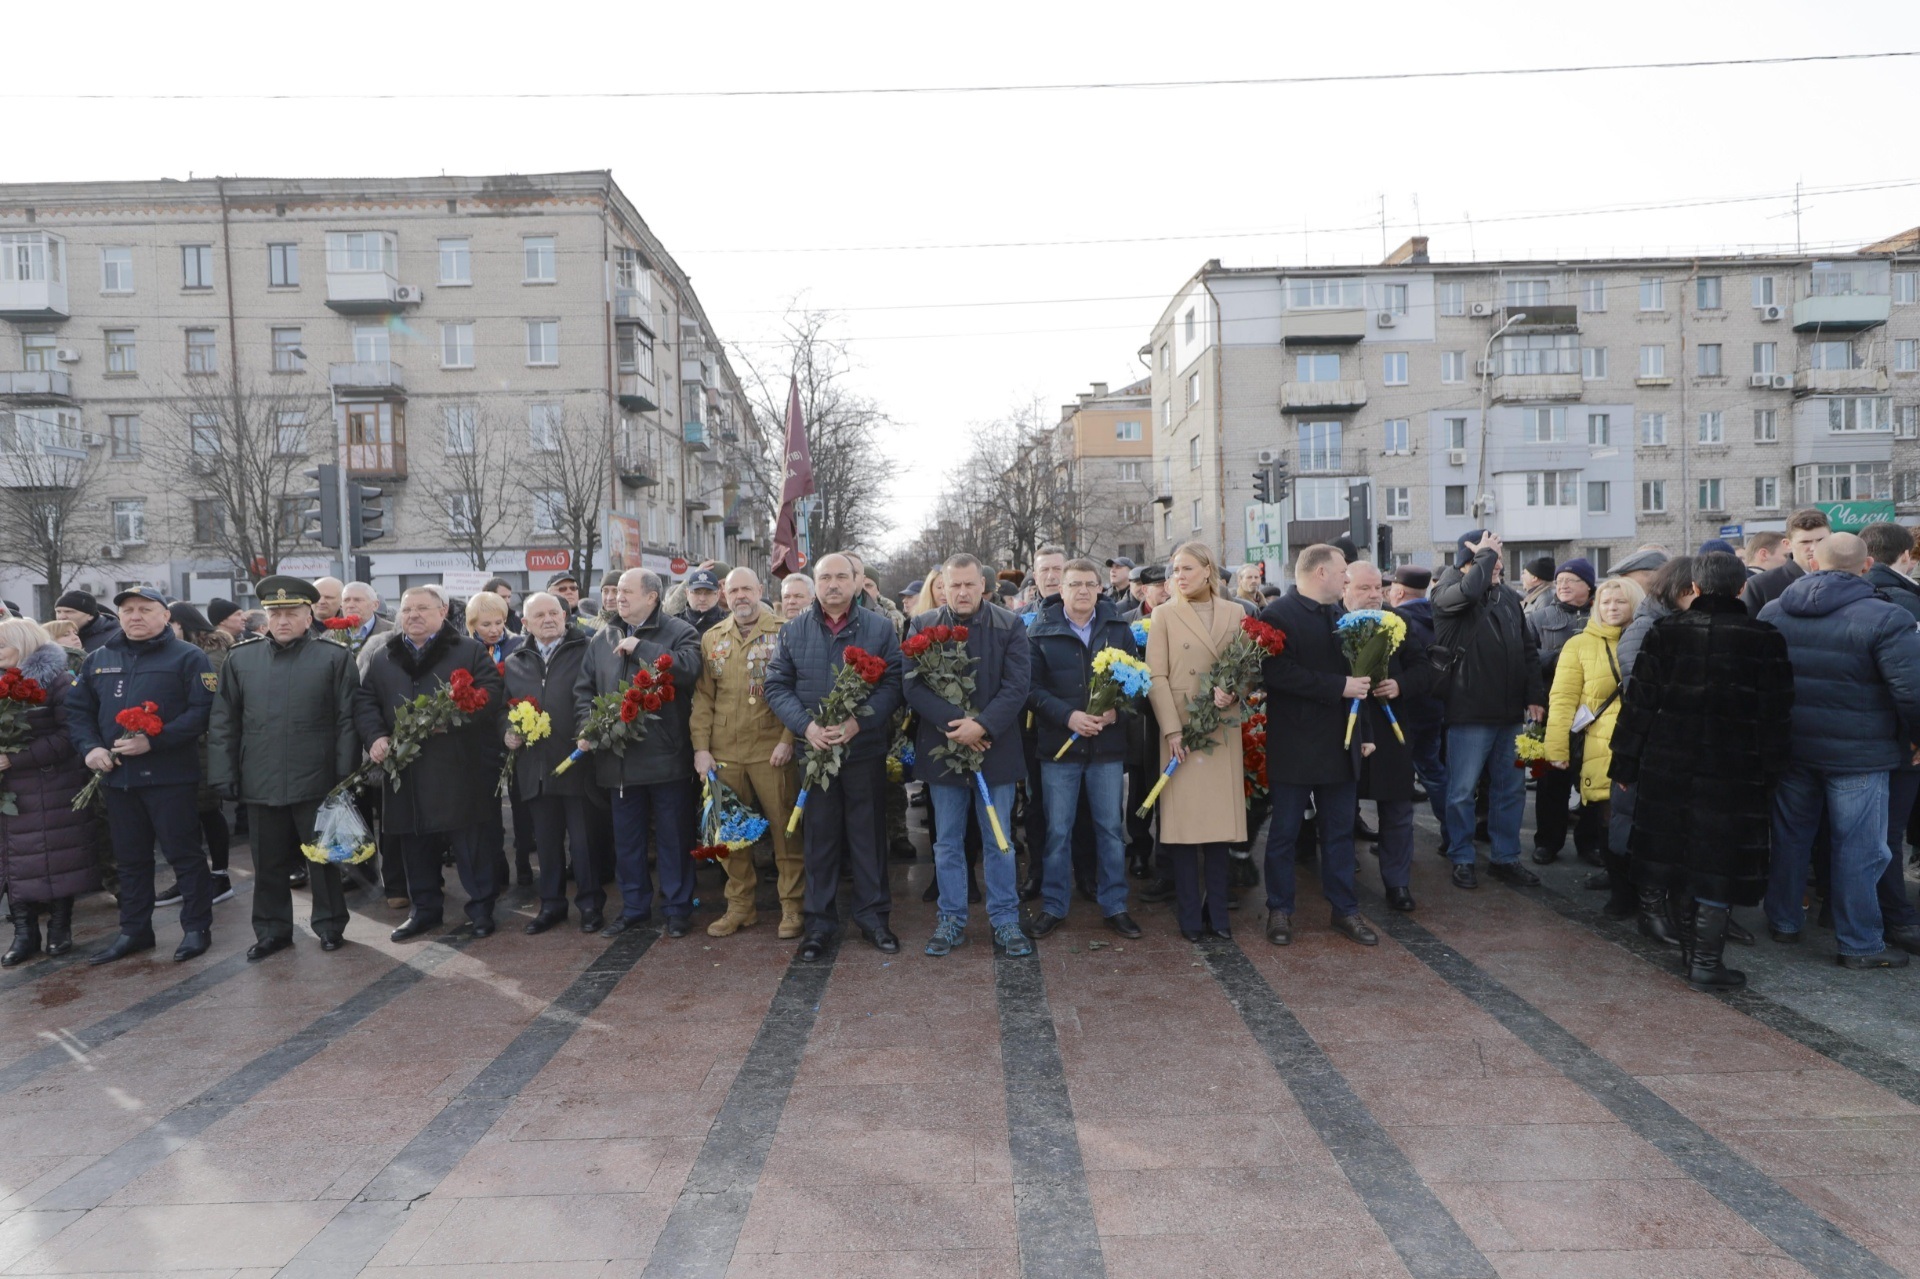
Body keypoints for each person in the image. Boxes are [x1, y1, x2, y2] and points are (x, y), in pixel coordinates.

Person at [1611, 553, 1794, 991]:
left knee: (1676, 857)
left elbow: (1639, 704)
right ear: (1740, 588)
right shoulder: (1764, 637)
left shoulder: (1664, 632)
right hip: (1734, 770)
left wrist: (1626, 763)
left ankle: (1693, 954)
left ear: (1694, 585)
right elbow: (1776, 715)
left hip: (1667, 765)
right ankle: (1706, 961)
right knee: (1720, 860)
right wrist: (1771, 773)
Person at [1758, 533, 1920, 969]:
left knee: (1791, 838)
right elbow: (1912, 691)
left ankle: (1784, 922)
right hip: (1860, 754)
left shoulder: (1774, 611)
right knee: (1859, 849)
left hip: (1792, 745)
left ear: (1813, 563)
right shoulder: (1888, 617)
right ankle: (1860, 943)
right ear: (1866, 566)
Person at [208, 576, 360, 959]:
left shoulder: (333, 657)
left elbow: (346, 719)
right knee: (268, 860)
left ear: (309, 616)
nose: (283, 621)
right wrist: (223, 773)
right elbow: (225, 720)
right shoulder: (241, 659)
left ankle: (329, 925)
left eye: (291, 613)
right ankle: (273, 930)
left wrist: (344, 773)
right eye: (276, 613)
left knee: (322, 858)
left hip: (317, 777)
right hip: (260, 777)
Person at [765, 553, 905, 959]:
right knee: (820, 841)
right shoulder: (793, 631)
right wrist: (806, 727)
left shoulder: (879, 628)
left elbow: (893, 684)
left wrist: (859, 723)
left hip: (863, 750)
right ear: (815, 582)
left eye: (841, 576)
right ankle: (819, 924)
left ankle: (874, 918)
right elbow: (776, 686)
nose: (832, 584)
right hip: (815, 754)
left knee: (867, 837)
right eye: (825, 577)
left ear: (856, 582)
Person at [68, 586, 217, 965]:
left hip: (170, 777)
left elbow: (202, 713)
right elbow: (78, 711)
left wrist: (156, 741)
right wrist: (91, 749)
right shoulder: (99, 659)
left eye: (145, 609)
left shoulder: (189, 657)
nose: (135, 616)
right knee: (130, 860)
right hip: (119, 779)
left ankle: (196, 927)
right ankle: (135, 930)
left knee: (184, 856)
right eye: (128, 610)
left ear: (165, 615)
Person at [354, 586, 506, 942]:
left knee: (470, 846)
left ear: (442, 612)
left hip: (459, 768)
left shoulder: (467, 651)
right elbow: (365, 702)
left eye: (423, 608)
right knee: (414, 843)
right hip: (406, 771)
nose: (414, 616)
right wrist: (375, 736)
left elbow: (492, 695)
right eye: (408, 610)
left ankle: (481, 909)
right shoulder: (383, 655)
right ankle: (424, 910)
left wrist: (452, 720)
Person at [906, 553, 1032, 958]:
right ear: (942, 585)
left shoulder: (1008, 624)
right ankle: (952, 918)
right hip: (944, 749)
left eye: (969, 584)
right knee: (947, 842)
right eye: (953, 584)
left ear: (983, 585)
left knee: (999, 839)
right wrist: (955, 724)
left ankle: (1005, 920)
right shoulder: (923, 626)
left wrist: (983, 725)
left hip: (995, 748)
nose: (961, 592)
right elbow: (912, 686)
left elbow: (1017, 685)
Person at [1257, 545, 1376, 947]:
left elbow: (1359, 679)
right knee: (1285, 833)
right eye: (1343, 571)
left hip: (1340, 746)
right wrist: (1337, 687)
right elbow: (1277, 673)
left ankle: (1344, 909)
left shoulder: (1340, 615)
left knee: (1340, 833)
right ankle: (1279, 909)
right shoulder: (1278, 615)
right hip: (1294, 744)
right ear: (1321, 572)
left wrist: (1367, 734)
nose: (1347, 579)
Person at [574, 568, 703, 938]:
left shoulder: (680, 631)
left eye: (627, 591)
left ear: (652, 597)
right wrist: (588, 726)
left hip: (666, 758)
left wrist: (642, 648)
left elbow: (691, 669)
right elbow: (584, 689)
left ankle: (678, 909)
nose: (618, 597)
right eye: (615, 592)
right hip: (617, 761)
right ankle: (634, 908)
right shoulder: (603, 637)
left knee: (673, 839)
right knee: (627, 841)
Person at [1026, 558, 1142, 940]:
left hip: (1107, 749)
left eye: (1090, 584)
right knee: (1058, 831)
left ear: (1099, 589)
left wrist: (1114, 714)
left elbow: (1136, 685)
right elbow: (1030, 690)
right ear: (1060, 589)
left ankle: (1116, 905)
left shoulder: (1117, 629)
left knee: (1110, 829)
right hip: (1059, 747)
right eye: (1074, 584)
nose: (1082, 591)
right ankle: (1054, 906)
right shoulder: (1040, 631)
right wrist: (1069, 717)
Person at [690, 569, 804, 939]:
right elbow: (704, 698)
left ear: (760, 590)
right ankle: (740, 907)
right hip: (725, 753)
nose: (740, 596)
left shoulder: (786, 631)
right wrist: (701, 749)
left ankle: (792, 906)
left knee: (786, 831)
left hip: (772, 749)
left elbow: (798, 691)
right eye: (733, 589)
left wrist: (789, 738)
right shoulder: (712, 638)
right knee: (730, 837)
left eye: (746, 589)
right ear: (725, 594)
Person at [1144, 542, 1246, 941]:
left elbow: (1247, 665)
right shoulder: (1164, 615)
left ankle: (1218, 915)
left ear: (1208, 570)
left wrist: (1234, 690)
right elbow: (1156, 676)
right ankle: (1190, 916)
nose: (1178, 577)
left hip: (1221, 729)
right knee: (1185, 829)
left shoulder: (1236, 612)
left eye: (1186, 568)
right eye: (1174, 570)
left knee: (1219, 829)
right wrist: (1171, 730)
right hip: (1183, 731)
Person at [1432, 530, 1544, 891]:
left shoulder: (1509, 598)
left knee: (1511, 790)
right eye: (1490, 559)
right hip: (1469, 714)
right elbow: (1465, 593)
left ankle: (1505, 858)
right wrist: (1482, 556)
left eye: (1499, 558)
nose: (1498, 565)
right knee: (1462, 792)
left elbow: (1527, 650)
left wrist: (1535, 696)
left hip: (1510, 715)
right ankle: (1462, 856)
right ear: (1468, 560)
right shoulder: (1448, 591)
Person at [504, 591, 607, 934]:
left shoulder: (586, 648)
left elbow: (594, 694)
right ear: (525, 623)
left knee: (584, 843)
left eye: (555, 613)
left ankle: (591, 905)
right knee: (546, 843)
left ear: (565, 616)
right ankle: (551, 905)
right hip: (535, 767)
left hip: (577, 761)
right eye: (540, 615)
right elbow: (503, 707)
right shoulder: (516, 657)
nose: (549, 619)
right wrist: (507, 732)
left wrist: (587, 730)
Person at [0, 619, 100, 966]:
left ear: (23, 644)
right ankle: (24, 934)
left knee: (56, 859)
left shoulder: (58, 681)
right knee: (13, 860)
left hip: (50, 785)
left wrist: (15, 759)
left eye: (2, 646)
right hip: (9, 792)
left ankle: (60, 929)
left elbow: (69, 735)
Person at [1542, 577, 1642, 917]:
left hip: (1642, 745)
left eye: (1620, 602)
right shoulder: (1579, 645)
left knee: (1641, 821)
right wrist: (1556, 749)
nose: (1612, 608)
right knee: (1608, 820)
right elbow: (1563, 700)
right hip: (1600, 747)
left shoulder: (1649, 638)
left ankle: (1644, 891)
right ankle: (1621, 892)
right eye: (1605, 602)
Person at [1344, 561, 1433, 914]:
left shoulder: (1400, 622)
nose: (1373, 596)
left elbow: (1424, 670)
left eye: (1378, 588)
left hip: (1391, 728)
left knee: (1397, 811)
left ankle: (1397, 884)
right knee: (1339, 811)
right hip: (1345, 732)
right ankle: (1339, 881)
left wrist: (1401, 684)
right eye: (1364, 589)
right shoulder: (1332, 623)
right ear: (1343, 587)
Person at [1860, 522, 1920, 954]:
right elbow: (1910, 687)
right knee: (1888, 834)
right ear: (1906, 556)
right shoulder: (1904, 604)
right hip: (1900, 740)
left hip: (1854, 737)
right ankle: (1896, 917)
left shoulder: (1855, 596)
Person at [1528, 559, 1595, 864]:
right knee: (1550, 780)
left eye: (1572, 580)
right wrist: (1561, 660)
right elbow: (1525, 657)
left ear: (1589, 586)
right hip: (1553, 709)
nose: (1564, 585)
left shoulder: (1601, 615)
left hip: (1594, 713)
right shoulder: (1539, 617)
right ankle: (1547, 842)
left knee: (1591, 778)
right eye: (1560, 580)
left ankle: (1590, 843)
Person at [171, 602, 236, 905]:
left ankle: (220, 876)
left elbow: (214, 704)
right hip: (187, 745)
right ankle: (192, 878)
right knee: (187, 814)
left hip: (205, 744)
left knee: (208, 810)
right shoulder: (185, 652)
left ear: (183, 625)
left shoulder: (211, 655)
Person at [468, 591, 532, 887]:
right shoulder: (467, 649)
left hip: (515, 731)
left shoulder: (519, 644)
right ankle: (497, 867)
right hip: (481, 737)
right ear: (472, 625)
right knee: (488, 807)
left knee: (521, 805)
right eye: (485, 625)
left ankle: (524, 864)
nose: (494, 630)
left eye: (498, 623)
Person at [1386, 566, 1447, 826]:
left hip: (1404, 711)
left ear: (1398, 591)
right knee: (1433, 771)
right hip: (1435, 709)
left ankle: (1396, 836)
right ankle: (1452, 834)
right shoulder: (1440, 619)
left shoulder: (1397, 622)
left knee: (1397, 778)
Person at [1745, 508, 1830, 617]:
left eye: (1821, 540)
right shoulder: (1760, 586)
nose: (1814, 547)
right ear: (1787, 544)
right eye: (1805, 542)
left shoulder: (1848, 578)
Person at [53, 590, 121, 654]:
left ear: (90, 615)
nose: (61, 617)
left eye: (69, 612)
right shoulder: (51, 637)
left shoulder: (117, 638)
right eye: (58, 612)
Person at [677, 568, 728, 636]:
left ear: (718, 595)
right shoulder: (674, 625)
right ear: (687, 593)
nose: (702, 599)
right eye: (697, 592)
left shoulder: (728, 623)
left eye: (708, 593)